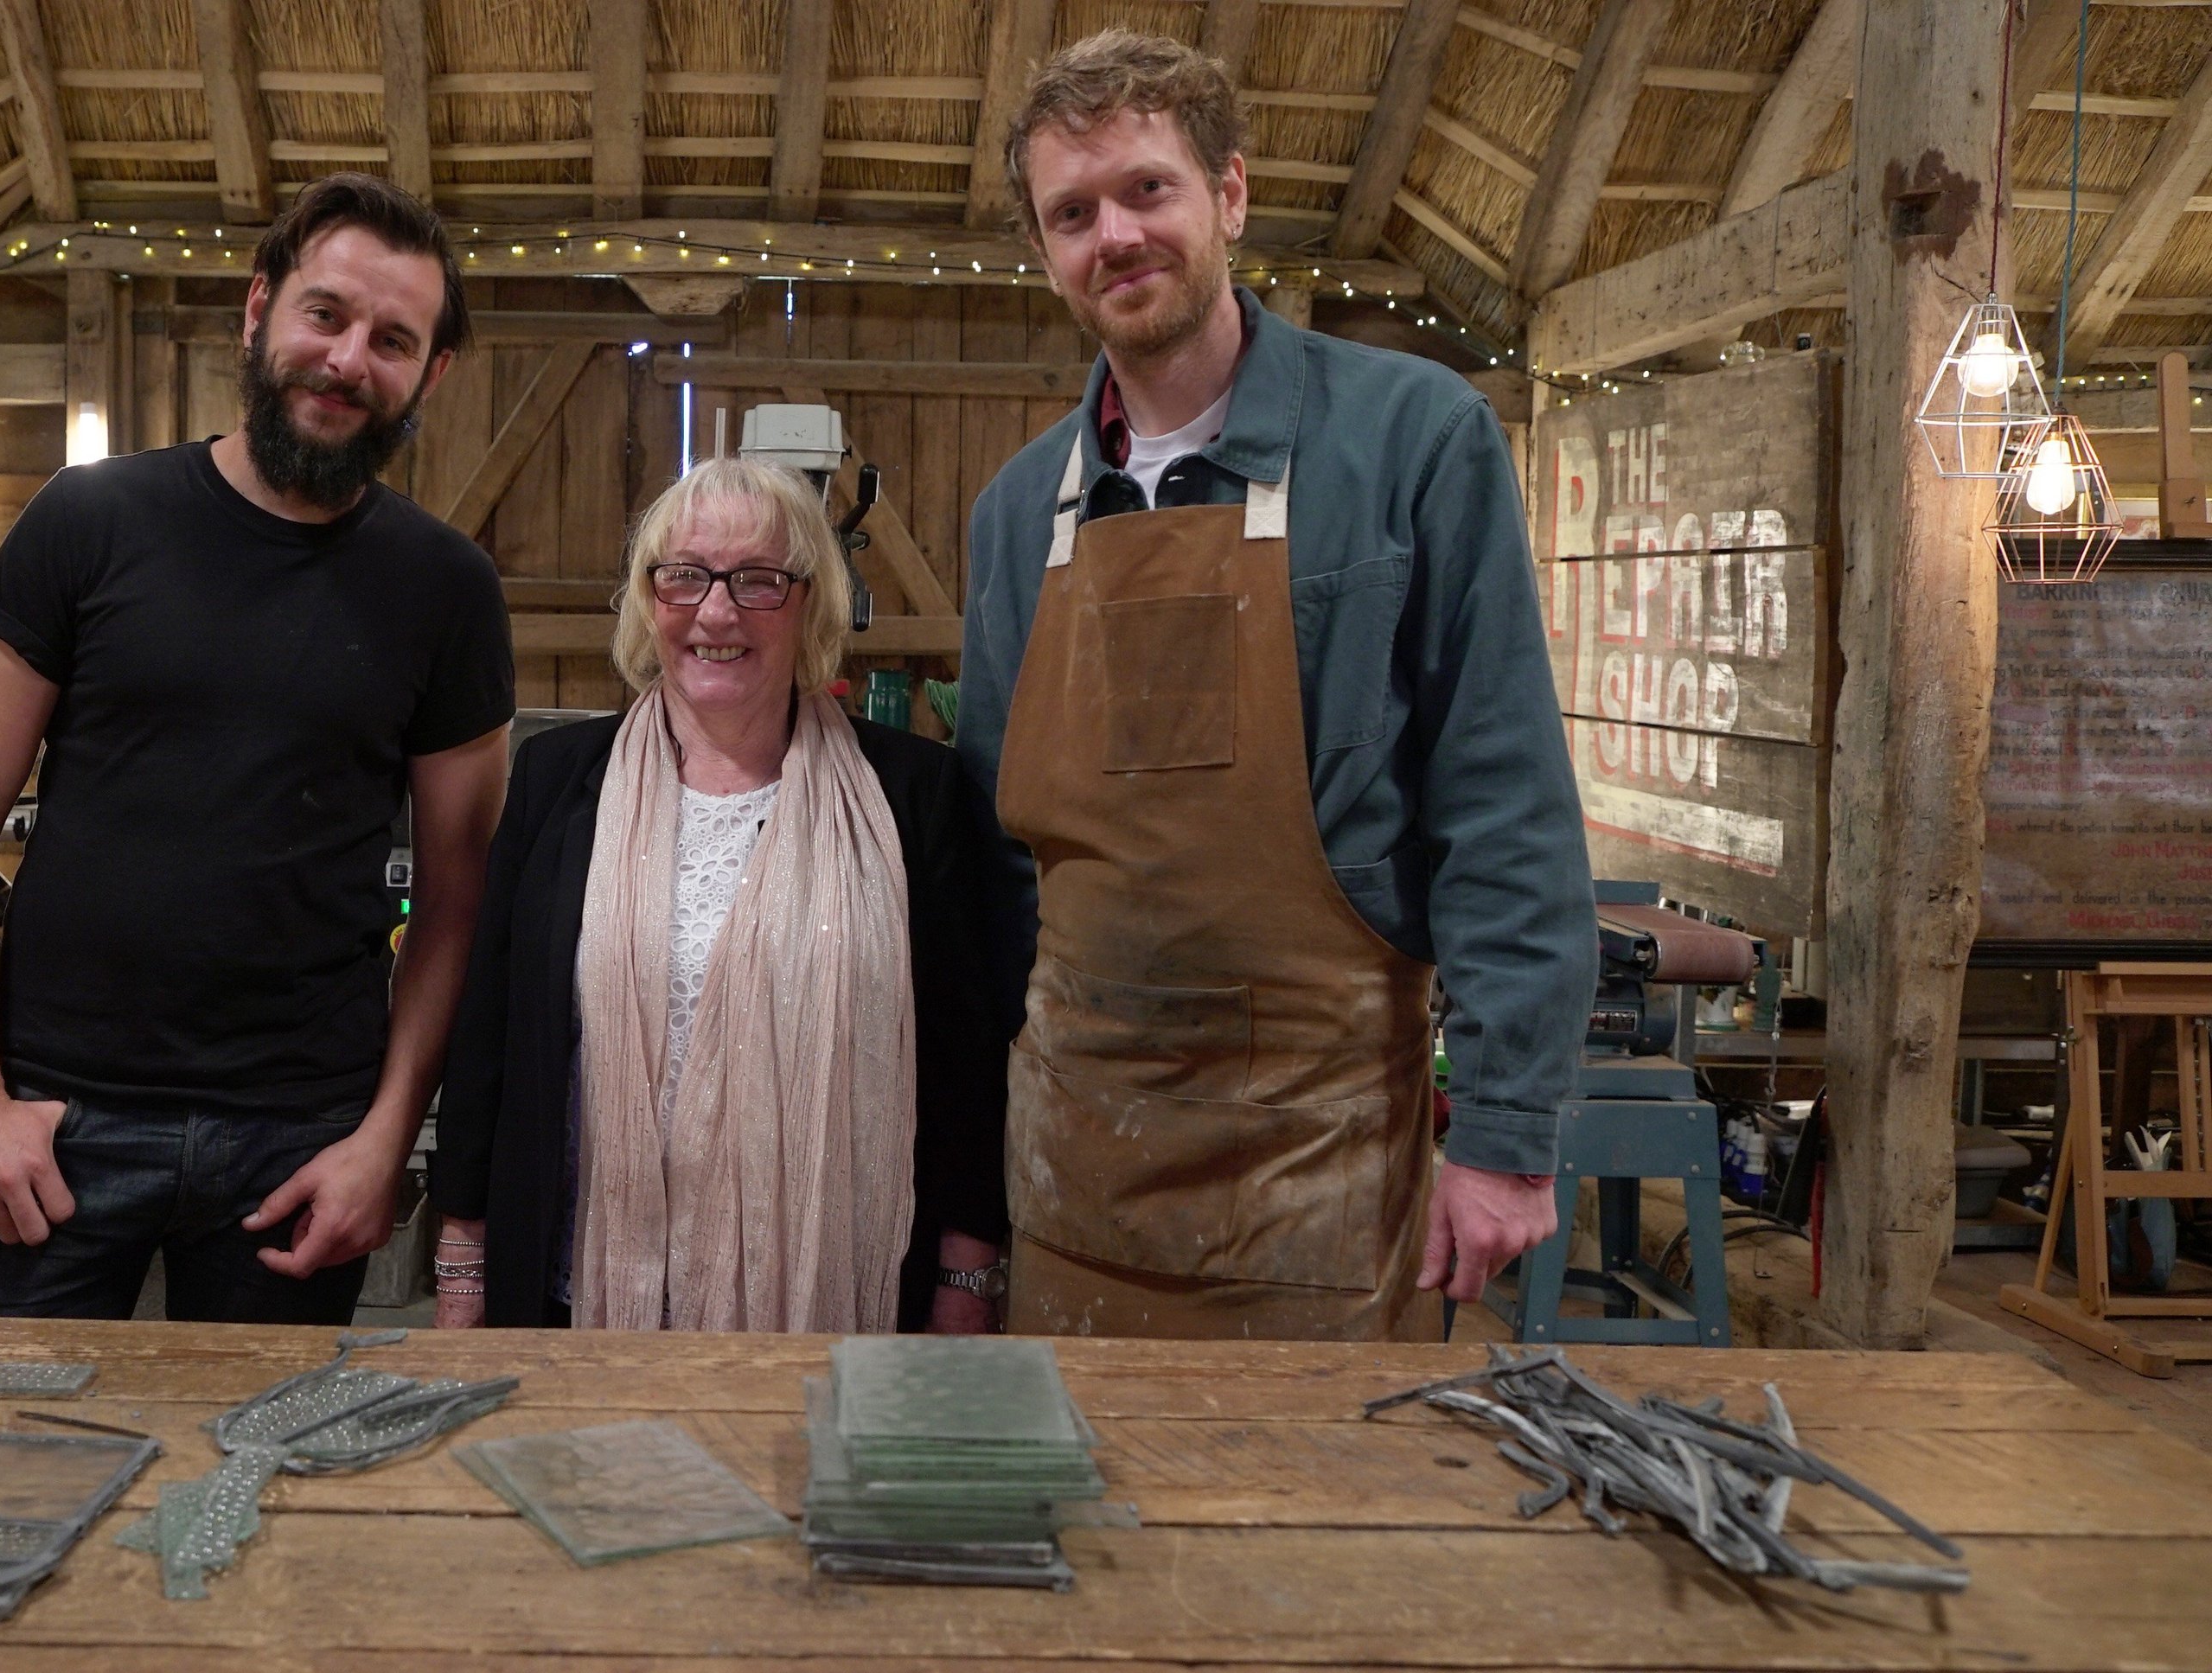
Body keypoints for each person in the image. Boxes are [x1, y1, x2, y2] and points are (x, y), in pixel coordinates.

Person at [954, 31, 1595, 1341]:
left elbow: (1503, 794)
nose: (1114, 236)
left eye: (1147, 190)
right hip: (1078, 1175)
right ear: (1045, 252)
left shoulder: (1415, 439)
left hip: (1323, 1173)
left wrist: (1509, 1131)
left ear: (1229, 197)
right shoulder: (1022, 513)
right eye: (1072, 214)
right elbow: (997, 864)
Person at [0, 174, 515, 1323]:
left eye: (391, 340)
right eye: (324, 314)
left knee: (260, 1486)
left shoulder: (447, 591)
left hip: (297, 1149)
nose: (346, 359)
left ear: (428, 376)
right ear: (258, 310)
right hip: (52, 1129)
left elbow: (456, 903)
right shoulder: (88, 521)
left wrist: (386, 1142)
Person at [432, 458, 1019, 1333]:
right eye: (684, 576)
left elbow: (965, 1065)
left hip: (832, 1292)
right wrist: (462, 1268)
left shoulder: (910, 795)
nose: (715, 611)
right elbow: (490, 1036)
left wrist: (964, 1284)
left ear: (810, 601)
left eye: (757, 581)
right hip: (582, 1291)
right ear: (647, 596)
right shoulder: (557, 780)